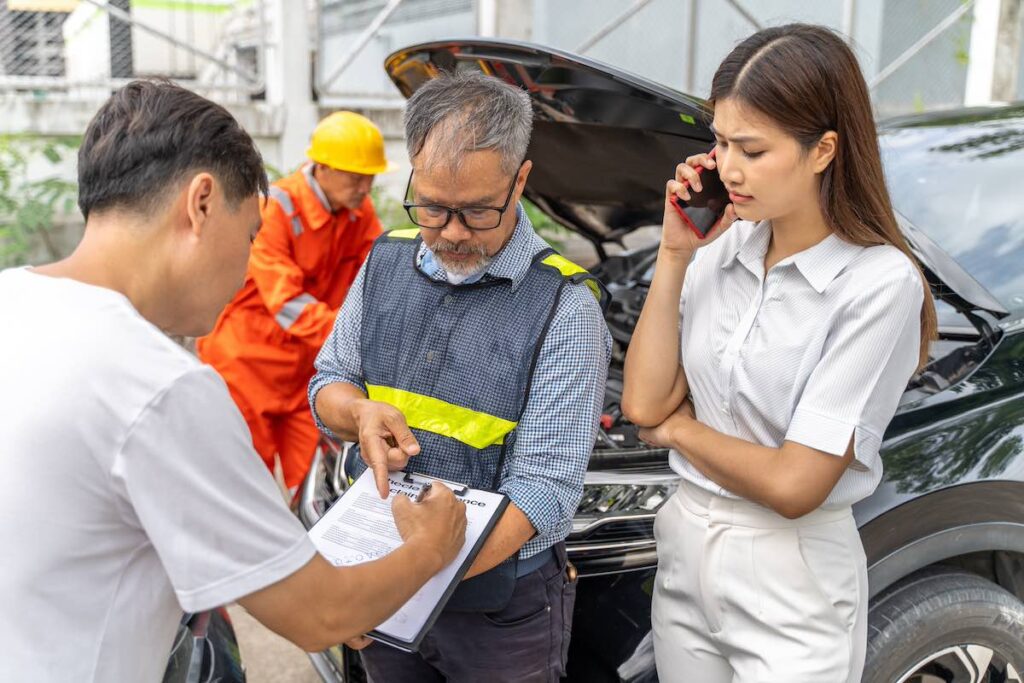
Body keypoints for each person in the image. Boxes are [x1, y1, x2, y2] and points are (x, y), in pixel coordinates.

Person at [0, 80, 466, 683]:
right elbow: (320, 613)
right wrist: (431, 548)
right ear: (200, 202)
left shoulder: (13, 298)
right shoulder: (160, 387)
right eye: (248, 234)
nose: (246, 259)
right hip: (251, 365)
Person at [622, 24, 937, 682]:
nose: (726, 167)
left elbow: (796, 484)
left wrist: (678, 429)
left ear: (823, 149)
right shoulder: (722, 246)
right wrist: (677, 252)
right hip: (685, 546)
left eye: (752, 148)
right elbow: (642, 401)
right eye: (719, 141)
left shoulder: (877, 285)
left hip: (790, 574)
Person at [310, 70, 612, 682]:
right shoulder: (385, 260)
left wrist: (404, 572)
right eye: (433, 207)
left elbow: (544, 493)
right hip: (386, 575)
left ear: (520, 180)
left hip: (499, 609)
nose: (449, 233)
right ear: (412, 171)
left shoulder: (566, 307)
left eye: (475, 212)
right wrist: (358, 411)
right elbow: (329, 381)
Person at [197, 110, 394, 491]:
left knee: (304, 485)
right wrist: (353, 341)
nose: (365, 187)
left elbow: (380, 275)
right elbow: (287, 304)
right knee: (241, 484)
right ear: (322, 168)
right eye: (356, 176)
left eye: (370, 177)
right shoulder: (276, 208)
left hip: (307, 373)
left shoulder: (358, 211)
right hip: (248, 365)